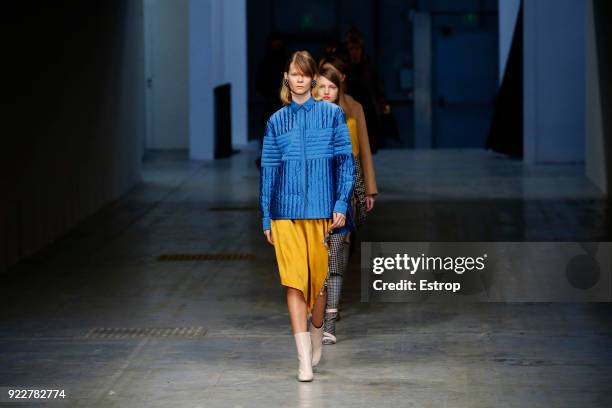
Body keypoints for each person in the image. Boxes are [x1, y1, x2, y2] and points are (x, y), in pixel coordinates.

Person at [259, 50, 355, 381]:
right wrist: (265, 216)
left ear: (313, 78)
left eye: (304, 73)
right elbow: (269, 170)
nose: (299, 78)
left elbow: (345, 162)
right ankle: (302, 360)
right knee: (294, 283)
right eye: (293, 73)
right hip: (285, 213)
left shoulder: (331, 115)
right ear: (286, 78)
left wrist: (341, 203)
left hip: (320, 211)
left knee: (316, 286)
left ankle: (317, 331)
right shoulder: (276, 121)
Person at [316, 64, 378, 344]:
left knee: (336, 260)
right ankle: (318, 315)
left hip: (341, 199)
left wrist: (364, 193)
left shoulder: (348, 117)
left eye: (332, 87)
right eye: (322, 86)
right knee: (317, 260)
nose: (327, 92)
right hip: (312, 203)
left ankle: (329, 321)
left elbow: (355, 159)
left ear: (340, 85)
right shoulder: (304, 118)